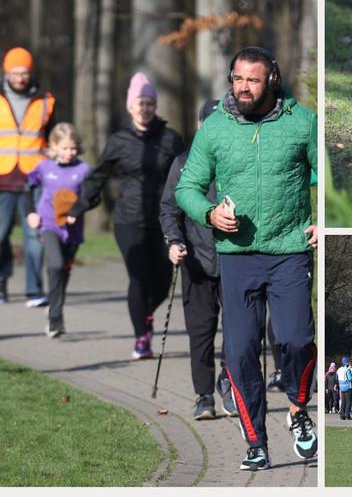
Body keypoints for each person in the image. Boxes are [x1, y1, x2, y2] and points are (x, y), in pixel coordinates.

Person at [175, 46, 317, 471]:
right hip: (236, 258)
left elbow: (329, 175)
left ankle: (296, 408)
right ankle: (255, 440)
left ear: (271, 79)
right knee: (239, 353)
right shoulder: (215, 128)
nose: (243, 87)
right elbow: (188, 187)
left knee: (296, 339)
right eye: (237, 78)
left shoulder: (303, 122)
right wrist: (209, 212)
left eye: (252, 80)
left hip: (290, 251)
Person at [69, 71, 185, 359]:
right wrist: (78, 207)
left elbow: (188, 175)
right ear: (129, 106)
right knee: (138, 277)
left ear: (154, 105)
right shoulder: (119, 140)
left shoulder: (170, 139)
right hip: (128, 219)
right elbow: (98, 177)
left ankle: (143, 315)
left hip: (162, 219)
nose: (144, 108)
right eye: (139, 103)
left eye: (149, 102)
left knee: (162, 280)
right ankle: (141, 338)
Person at [159, 99, 236, 420]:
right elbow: (169, 209)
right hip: (197, 262)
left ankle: (229, 383)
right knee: (200, 332)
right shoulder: (183, 162)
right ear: (201, 126)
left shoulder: (239, 159)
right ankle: (203, 395)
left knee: (239, 332)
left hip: (235, 260)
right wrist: (174, 242)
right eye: (211, 123)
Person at [0, 47, 54, 306]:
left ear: (31, 72)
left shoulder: (47, 100)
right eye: (15, 73)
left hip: (35, 177)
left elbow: (54, 137)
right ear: (6, 72)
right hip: (2, 176)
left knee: (35, 236)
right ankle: (1, 284)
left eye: (24, 72)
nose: (20, 77)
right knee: (0, 234)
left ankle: (34, 291)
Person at [24, 123, 89, 336]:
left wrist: (78, 210)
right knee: (55, 264)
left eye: (72, 148)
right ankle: (54, 316)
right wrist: (30, 212)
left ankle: (56, 309)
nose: (68, 153)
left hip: (73, 230)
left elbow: (93, 197)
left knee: (64, 271)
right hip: (49, 225)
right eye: (64, 148)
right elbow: (27, 187)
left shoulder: (84, 170)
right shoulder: (44, 168)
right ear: (53, 147)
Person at [337, 357, 352, 421]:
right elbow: (350, 378)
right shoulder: (347, 370)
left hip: (341, 387)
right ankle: (347, 415)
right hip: (347, 387)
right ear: (347, 363)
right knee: (348, 402)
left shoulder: (339, 369)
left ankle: (342, 415)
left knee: (343, 401)